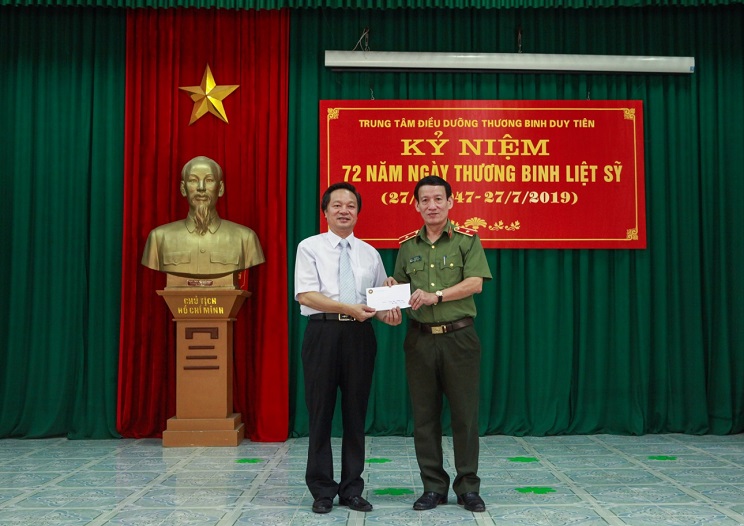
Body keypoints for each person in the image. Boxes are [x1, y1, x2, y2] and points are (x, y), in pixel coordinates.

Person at [386, 175, 492, 513]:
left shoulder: (466, 240)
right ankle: (433, 487)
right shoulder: (407, 247)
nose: (432, 206)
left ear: (450, 202)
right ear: (416, 205)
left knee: (465, 416)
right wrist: (391, 292)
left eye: (438, 199)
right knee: (424, 417)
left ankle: (468, 487)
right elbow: (401, 289)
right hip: (419, 340)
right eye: (425, 200)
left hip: (459, 338)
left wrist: (438, 295)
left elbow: (475, 283)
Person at [294, 182, 401, 514]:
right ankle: (322, 490)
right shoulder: (309, 247)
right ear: (325, 212)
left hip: (359, 337)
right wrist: (348, 308)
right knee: (320, 413)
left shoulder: (370, 253)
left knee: (356, 414)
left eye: (350, 205)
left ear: (358, 213)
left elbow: (376, 303)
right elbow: (305, 295)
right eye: (337, 205)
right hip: (322, 333)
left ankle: (352, 489)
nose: (344, 210)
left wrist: (389, 312)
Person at [142, 156, 265, 277]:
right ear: (183, 189)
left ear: (220, 188)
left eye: (209, 180)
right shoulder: (159, 238)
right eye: (193, 180)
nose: (201, 187)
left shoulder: (245, 239)